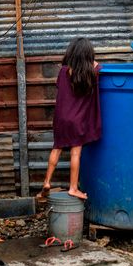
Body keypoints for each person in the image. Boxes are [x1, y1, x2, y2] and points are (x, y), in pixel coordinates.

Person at [37, 38, 101, 201]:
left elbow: (60, 86)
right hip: (78, 120)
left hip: (61, 118)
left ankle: (46, 182)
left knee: (56, 148)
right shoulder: (93, 71)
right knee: (75, 154)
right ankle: (73, 188)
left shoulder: (64, 71)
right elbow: (97, 67)